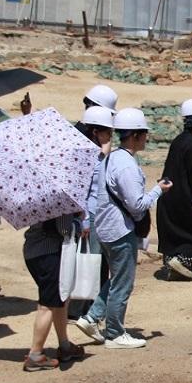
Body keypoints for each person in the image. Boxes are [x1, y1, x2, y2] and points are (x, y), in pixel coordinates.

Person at [80, 108, 170, 348]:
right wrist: (158, 190)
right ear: (135, 136)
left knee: (116, 279)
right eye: (144, 134)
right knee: (123, 283)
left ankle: (91, 317)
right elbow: (137, 206)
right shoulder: (127, 166)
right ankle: (114, 333)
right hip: (120, 230)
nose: (147, 138)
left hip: (105, 226)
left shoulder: (111, 158)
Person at [157, 99, 192, 280]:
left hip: (170, 196)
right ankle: (182, 262)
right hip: (186, 197)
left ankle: (171, 263)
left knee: (175, 230)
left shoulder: (179, 140)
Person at [22, 214, 85, 371]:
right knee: (48, 304)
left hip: (33, 249)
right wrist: (79, 222)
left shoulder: (40, 192)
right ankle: (35, 355)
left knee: (59, 300)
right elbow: (64, 229)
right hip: (50, 253)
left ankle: (65, 346)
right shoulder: (62, 196)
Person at [72, 106, 114, 326]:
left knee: (95, 263)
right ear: (96, 131)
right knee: (91, 263)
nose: (111, 136)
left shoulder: (94, 151)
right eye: (108, 131)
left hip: (97, 215)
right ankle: (85, 309)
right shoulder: (85, 154)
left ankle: (87, 308)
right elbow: (83, 189)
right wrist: (86, 219)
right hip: (91, 217)